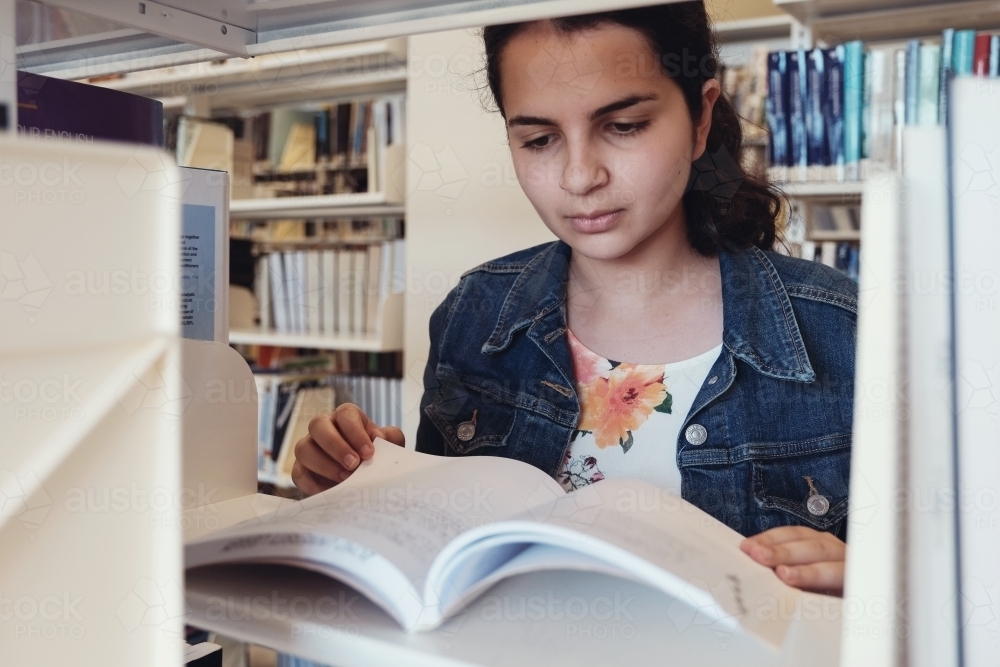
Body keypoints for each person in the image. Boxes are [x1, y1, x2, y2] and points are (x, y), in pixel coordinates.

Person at [292, 1, 855, 596]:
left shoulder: (848, 334)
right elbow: (441, 569)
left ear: (700, 120)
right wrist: (359, 490)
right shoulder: (473, 314)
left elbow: (936, 590)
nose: (579, 176)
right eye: (538, 139)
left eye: (625, 126)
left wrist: (885, 589)